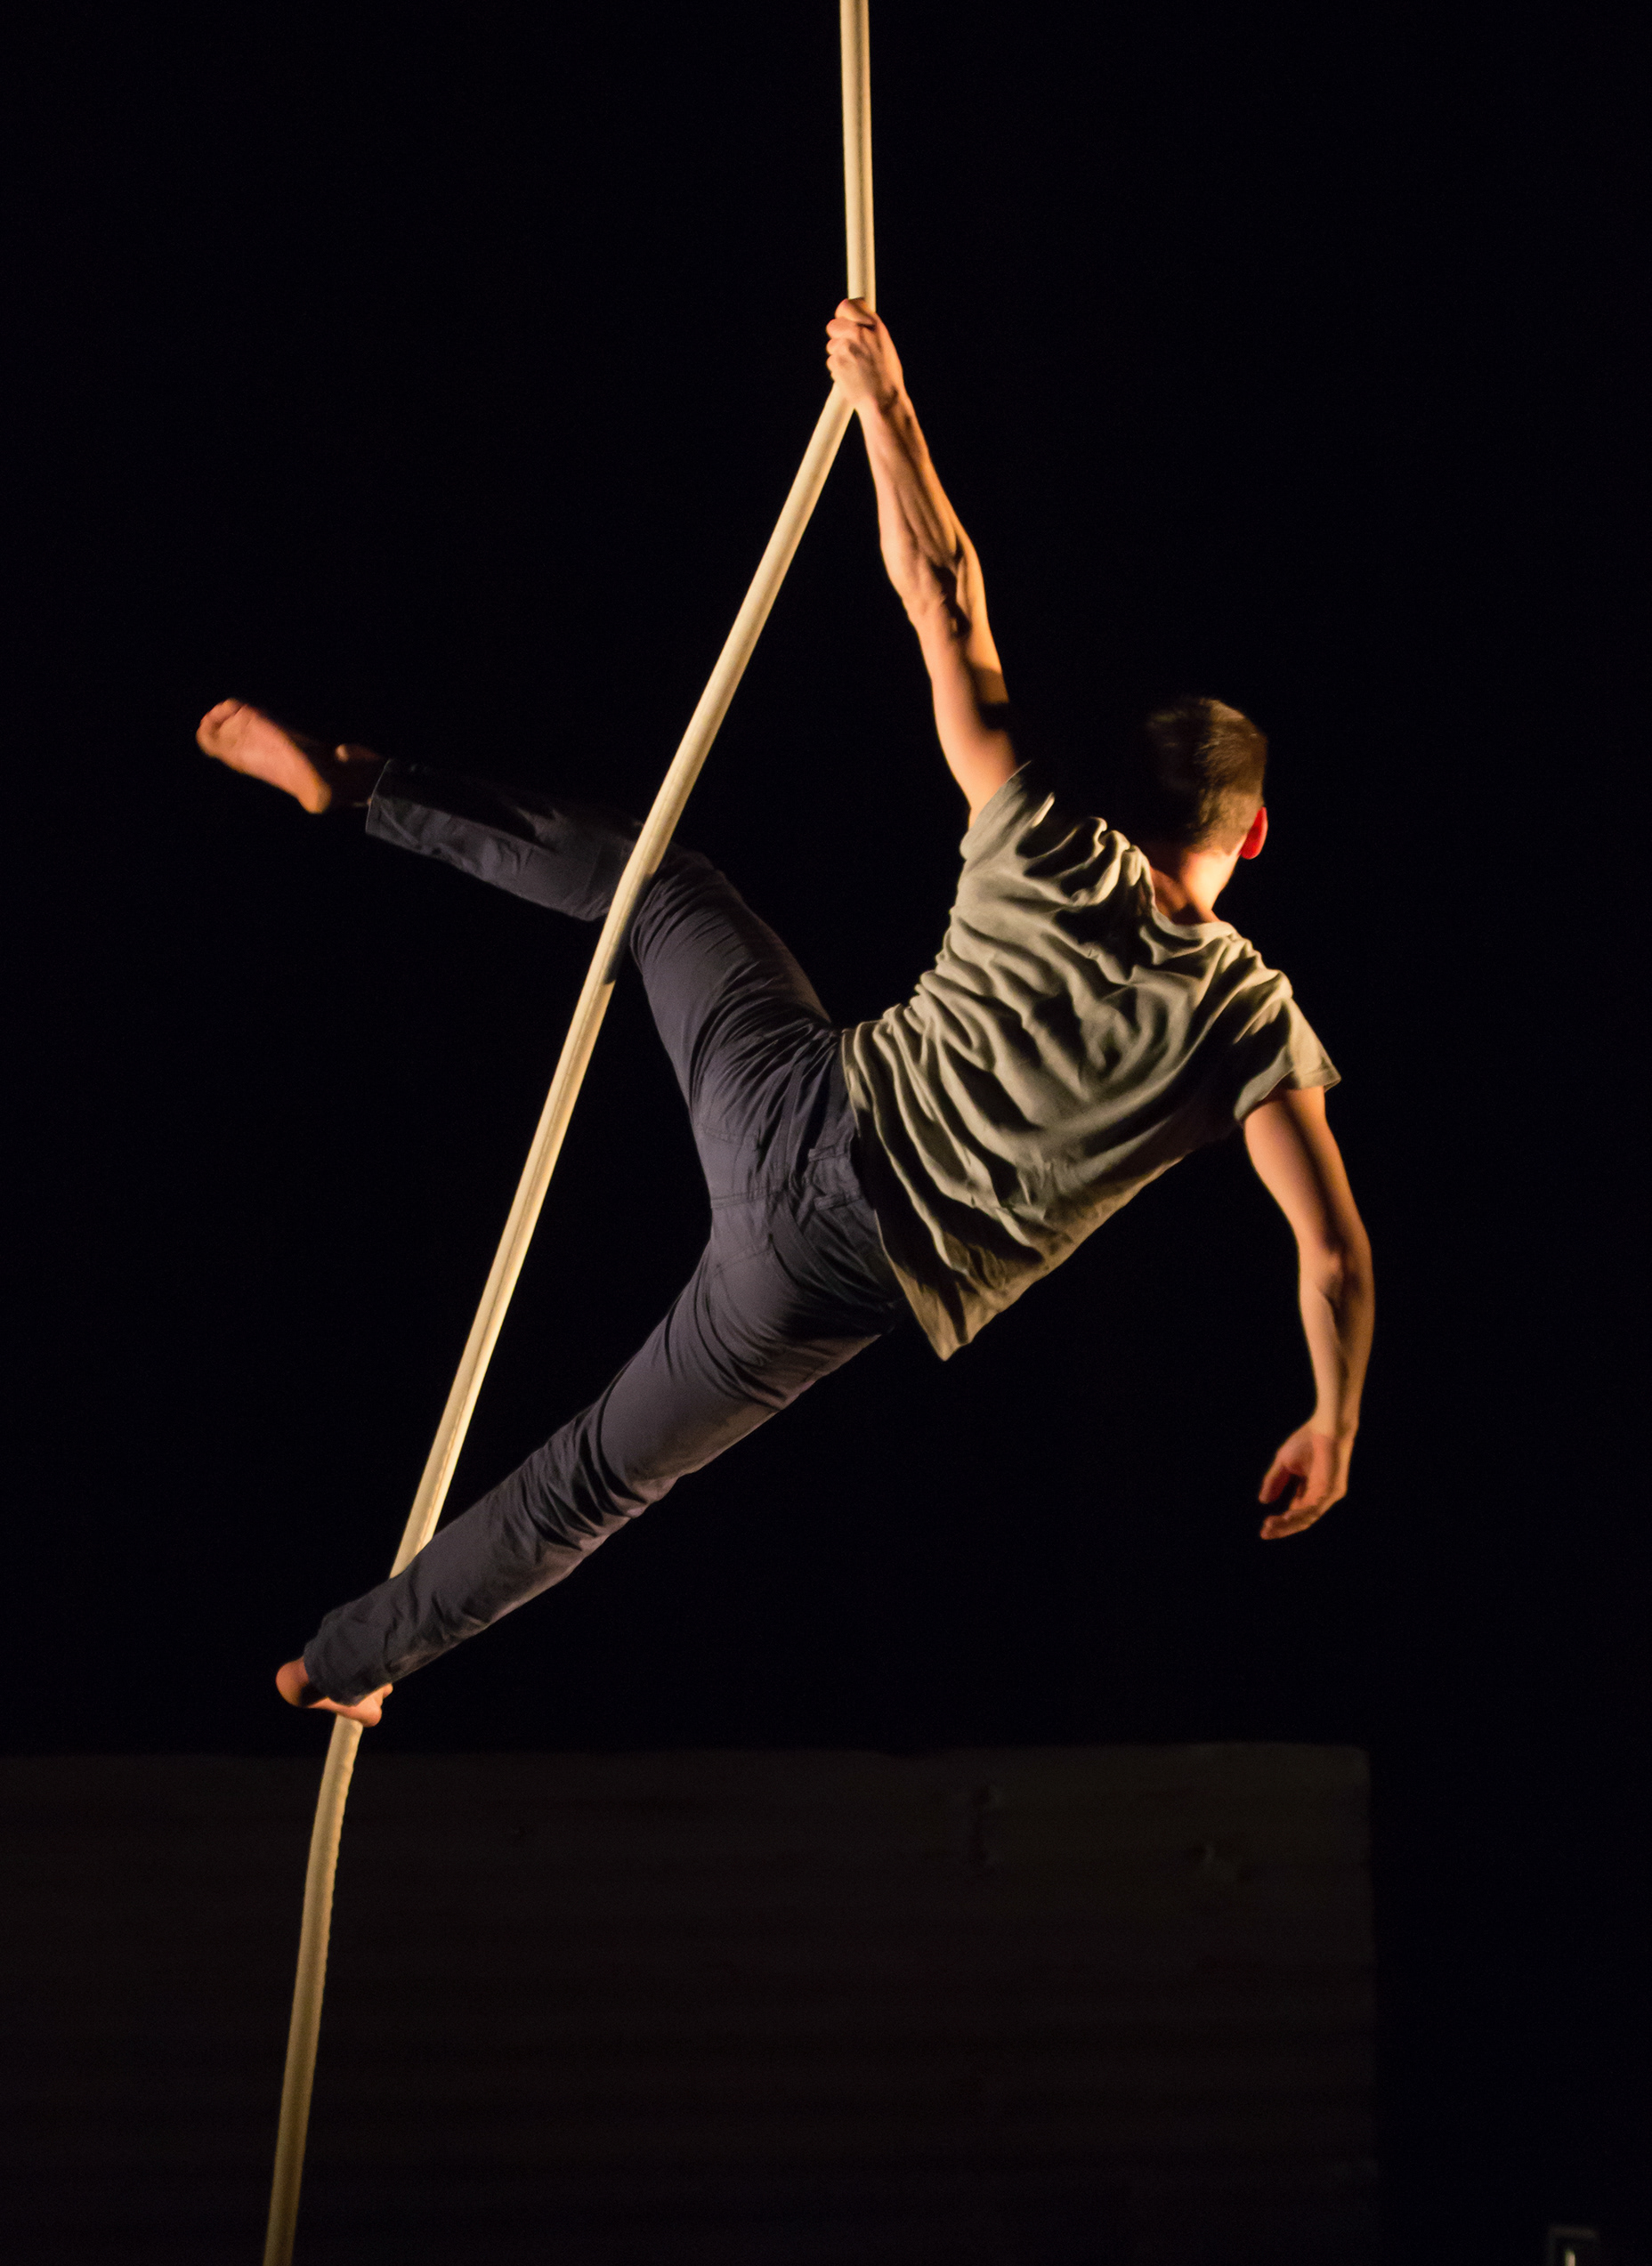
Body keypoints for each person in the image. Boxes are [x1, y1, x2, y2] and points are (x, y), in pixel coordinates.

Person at [198, 300, 1374, 1728]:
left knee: (665, 889)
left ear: (1132, 796)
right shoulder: (1250, 1017)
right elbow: (1329, 1256)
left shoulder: (1045, 833)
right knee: (594, 1481)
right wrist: (1334, 1418)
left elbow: (939, 588)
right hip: (822, 1283)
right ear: (1253, 841)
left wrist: (884, 397)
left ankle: (368, 785)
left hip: (801, 1099)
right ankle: (344, 1661)